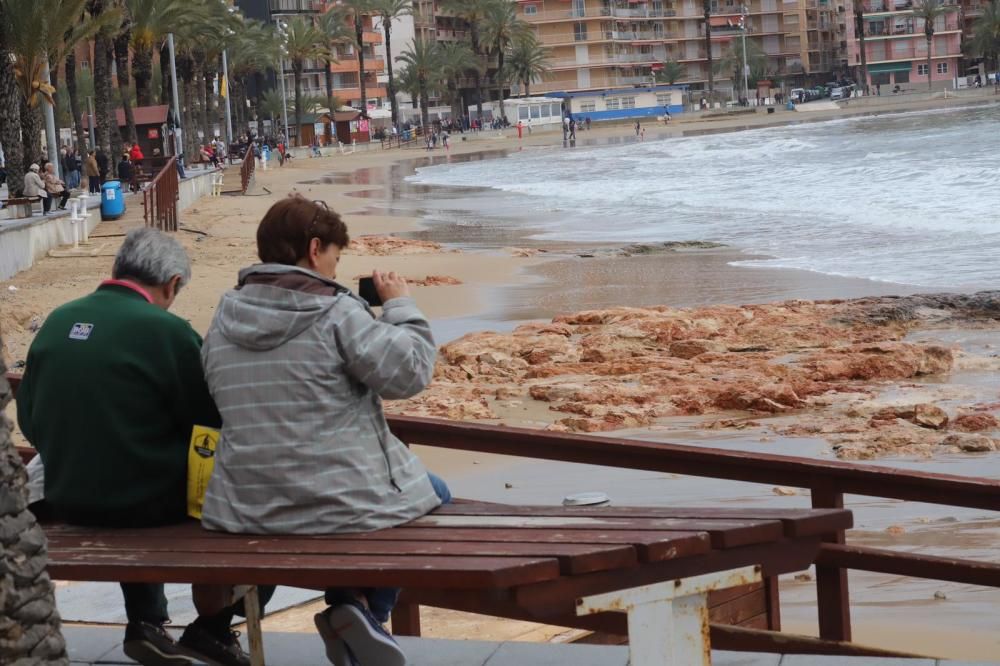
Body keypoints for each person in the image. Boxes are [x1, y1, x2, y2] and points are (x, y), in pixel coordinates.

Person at [200, 196, 450, 666]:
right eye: (336, 257)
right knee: (434, 491)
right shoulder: (336, 312)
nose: (336, 271)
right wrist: (400, 307)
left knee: (401, 494)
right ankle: (360, 607)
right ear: (315, 250)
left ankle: (353, 605)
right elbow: (410, 373)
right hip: (337, 504)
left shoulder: (223, 318)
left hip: (247, 506)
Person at [16, 228, 257, 666]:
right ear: (172, 284)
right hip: (144, 504)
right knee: (235, 497)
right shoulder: (168, 332)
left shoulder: (58, 319)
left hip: (67, 495)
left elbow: (29, 422)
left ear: (116, 270)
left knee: (121, 461)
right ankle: (214, 628)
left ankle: (146, 620)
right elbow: (209, 424)